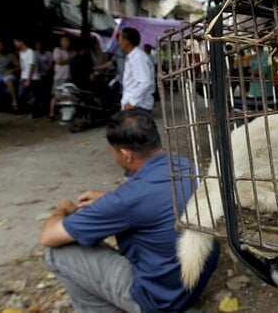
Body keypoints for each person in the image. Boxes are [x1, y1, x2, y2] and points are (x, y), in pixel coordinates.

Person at [40, 108, 220, 312]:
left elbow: (48, 236)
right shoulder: (187, 166)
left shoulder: (126, 200)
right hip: (191, 283)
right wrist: (108, 197)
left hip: (158, 300)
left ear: (126, 155)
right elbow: (150, 201)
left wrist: (62, 209)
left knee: (58, 253)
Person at [119, 27, 155, 111]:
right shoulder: (133, 56)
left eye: (120, 38)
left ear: (126, 41)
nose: (119, 42)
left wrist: (132, 102)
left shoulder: (138, 57)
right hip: (134, 104)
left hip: (138, 105)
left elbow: (145, 82)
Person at [13, 35, 43, 117]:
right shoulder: (21, 53)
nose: (15, 44)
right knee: (21, 95)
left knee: (33, 96)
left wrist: (28, 79)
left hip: (33, 78)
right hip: (24, 76)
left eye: (16, 42)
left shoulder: (30, 52)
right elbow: (23, 66)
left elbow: (31, 66)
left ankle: (34, 113)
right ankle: (26, 111)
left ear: (21, 42)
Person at [48, 35, 73, 120]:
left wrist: (65, 60)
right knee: (56, 95)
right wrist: (68, 60)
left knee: (66, 96)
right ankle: (51, 113)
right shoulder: (57, 50)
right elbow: (59, 61)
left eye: (67, 41)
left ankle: (64, 115)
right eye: (64, 41)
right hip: (59, 77)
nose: (66, 43)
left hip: (67, 77)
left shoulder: (70, 52)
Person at [0, 39, 19, 111]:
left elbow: (20, 66)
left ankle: (14, 102)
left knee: (8, 79)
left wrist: (11, 70)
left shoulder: (10, 55)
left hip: (6, 73)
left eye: (0, 45)